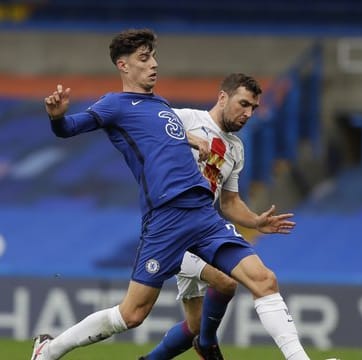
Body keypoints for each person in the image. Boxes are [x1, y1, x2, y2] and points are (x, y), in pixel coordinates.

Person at [31, 28, 310, 360]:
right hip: (166, 218)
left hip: (203, 214)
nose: (154, 65)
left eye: (154, 57)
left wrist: (194, 141)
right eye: (144, 58)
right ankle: (50, 350)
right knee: (131, 315)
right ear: (123, 65)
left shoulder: (162, 106)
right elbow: (69, 128)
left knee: (263, 279)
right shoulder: (114, 105)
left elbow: (166, 138)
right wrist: (56, 117)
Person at [140, 73, 297, 359]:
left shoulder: (236, 148)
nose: (248, 113)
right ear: (223, 97)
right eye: (243, 104)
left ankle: (183, 346)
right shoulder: (187, 118)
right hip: (169, 229)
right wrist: (187, 138)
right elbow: (146, 120)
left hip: (199, 230)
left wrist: (256, 221)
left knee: (193, 325)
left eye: (253, 108)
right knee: (224, 282)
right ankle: (208, 344)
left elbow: (229, 202)